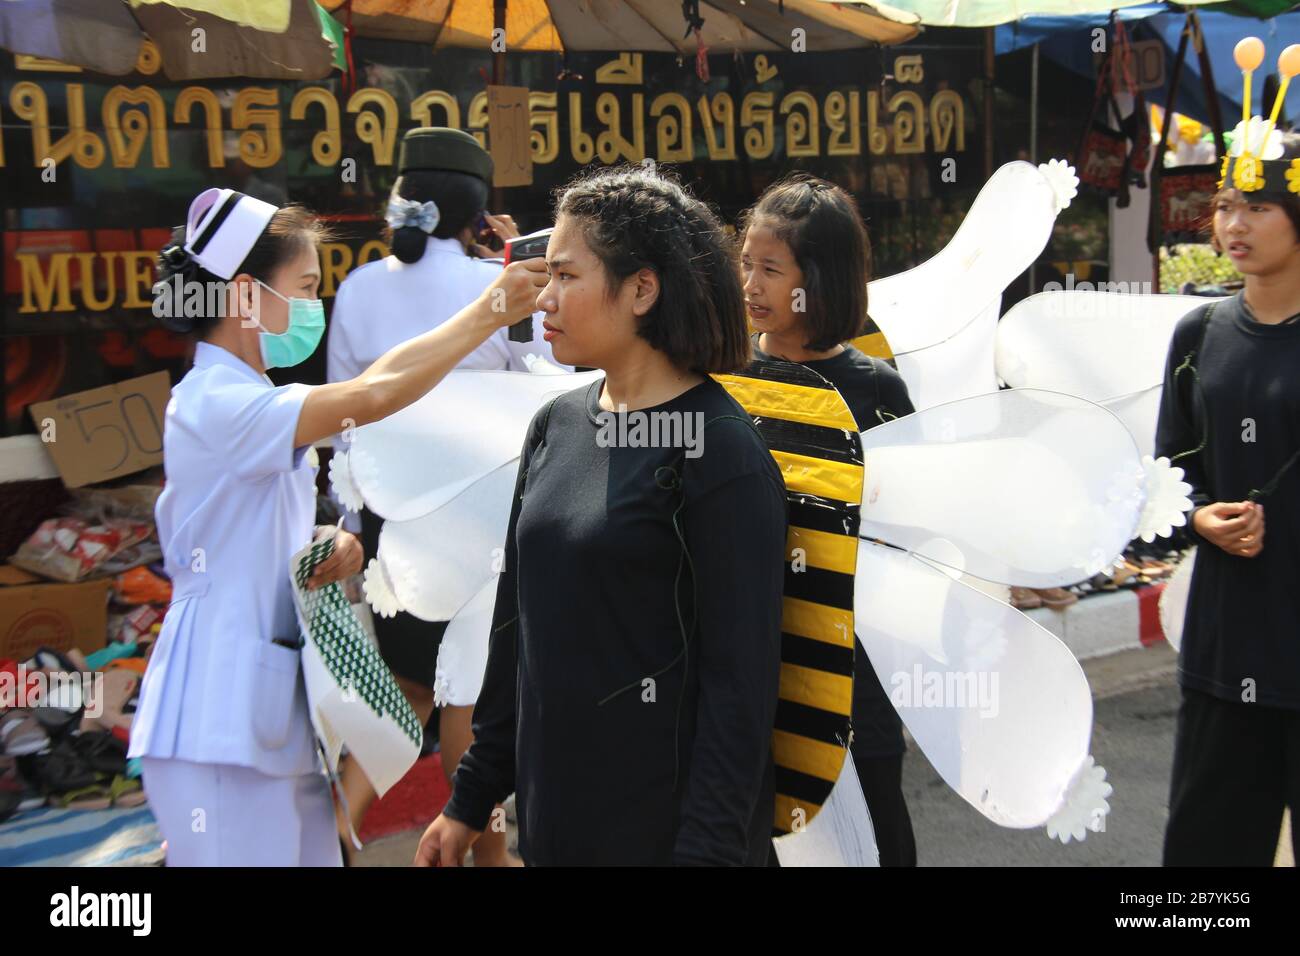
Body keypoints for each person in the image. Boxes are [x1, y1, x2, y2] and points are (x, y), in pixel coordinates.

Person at [128, 187, 546, 866]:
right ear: (244, 296)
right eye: (302, 287)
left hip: (266, 723)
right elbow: (374, 396)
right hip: (219, 721)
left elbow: (370, 388)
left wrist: (330, 543)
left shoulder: (249, 399)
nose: (312, 306)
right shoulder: (216, 403)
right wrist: (488, 313)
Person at [415, 165, 788, 866]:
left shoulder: (722, 452)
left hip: (664, 840)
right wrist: (471, 799)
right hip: (556, 830)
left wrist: (705, 852)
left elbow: (739, 690)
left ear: (642, 289)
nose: (543, 298)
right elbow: (515, 633)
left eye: (565, 276)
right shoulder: (556, 426)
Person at [326, 127, 562, 866]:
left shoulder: (360, 286)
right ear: (477, 212)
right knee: (469, 691)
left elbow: (340, 411)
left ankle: (341, 814)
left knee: (408, 681)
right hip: (476, 510)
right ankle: (489, 859)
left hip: (387, 513)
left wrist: (350, 513)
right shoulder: (493, 287)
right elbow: (550, 370)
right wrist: (524, 264)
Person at [741, 174, 918, 867]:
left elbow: (905, 527)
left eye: (770, 269)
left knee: (872, 811)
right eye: (746, 262)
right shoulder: (722, 375)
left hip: (853, 650)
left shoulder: (877, 388)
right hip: (751, 650)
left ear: (818, 278)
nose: (750, 283)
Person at [1157, 130, 1300, 866]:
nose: (1234, 225)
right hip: (1226, 650)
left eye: (1259, 206)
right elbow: (1165, 484)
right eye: (1225, 206)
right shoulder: (1198, 332)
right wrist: (1198, 518)